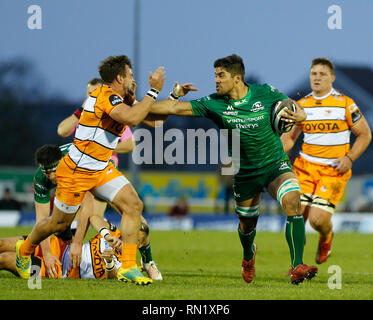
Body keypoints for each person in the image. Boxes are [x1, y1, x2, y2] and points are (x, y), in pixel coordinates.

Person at [148, 54, 318, 285]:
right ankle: (249, 256)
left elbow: (294, 107)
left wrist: (303, 114)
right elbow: (173, 108)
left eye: (221, 76)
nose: (216, 80)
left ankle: (297, 265)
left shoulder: (265, 92)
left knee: (293, 201)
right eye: (215, 75)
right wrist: (142, 103)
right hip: (245, 173)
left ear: (237, 78)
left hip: (274, 165)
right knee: (247, 226)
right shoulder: (213, 103)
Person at [16, 55, 167, 285]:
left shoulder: (115, 96)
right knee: (58, 224)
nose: (133, 79)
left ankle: (127, 266)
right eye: (130, 75)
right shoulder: (105, 96)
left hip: (100, 168)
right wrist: (154, 91)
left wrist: (148, 97)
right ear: (120, 77)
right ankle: (24, 250)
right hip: (77, 170)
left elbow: (147, 118)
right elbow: (133, 116)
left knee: (134, 204)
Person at [281, 58, 372, 264]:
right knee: (295, 216)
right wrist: (275, 152)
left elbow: (365, 134)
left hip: (332, 171)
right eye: (313, 74)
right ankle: (297, 266)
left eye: (322, 74)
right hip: (304, 168)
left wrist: (350, 158)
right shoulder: (301, 106)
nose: (317, 78)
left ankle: (326, 237)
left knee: (317, 220)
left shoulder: (345, 104)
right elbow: (289, 138)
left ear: (332, 78)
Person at [32, 143, 162, 280]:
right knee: (60, 224)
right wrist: (47, 254)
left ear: (62, 162)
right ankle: (59, 245)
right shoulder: (41, 178)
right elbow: (41, 220)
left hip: (100, 171)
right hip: (81, 176)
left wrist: (77, 243)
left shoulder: (76, 164)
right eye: (47, 173)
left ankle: (148, 262)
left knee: (139, 222)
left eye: (54, 171)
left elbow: (87, 206)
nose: (51, 177)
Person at [0, 219, 151, 280]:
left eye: (135, 237)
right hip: (58, 245)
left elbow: (112, 276)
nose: (129, 235)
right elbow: (94, 217)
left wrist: (110, 261)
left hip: (56, 270)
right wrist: (105, 235)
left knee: (5, 258)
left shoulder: (128, 264)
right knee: (2, 244)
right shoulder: (114, 232)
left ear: (138, 244)